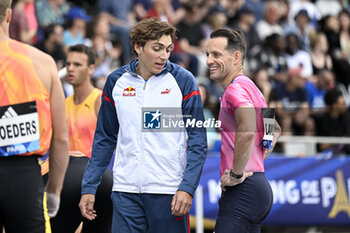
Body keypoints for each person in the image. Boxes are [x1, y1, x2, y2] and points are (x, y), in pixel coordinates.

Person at [78, 18, 207, 233]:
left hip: (169, 192)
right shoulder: (116, 81)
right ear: (138, 47)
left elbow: (198, 140)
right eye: (157, 49)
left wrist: (187, 187)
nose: (164, 55)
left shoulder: (184, 80)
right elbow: (105, 138)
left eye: (167, 49)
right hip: (125, 191)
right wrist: (89, 187)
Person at [0, 0, 69, 232]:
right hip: (23, 178)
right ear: (9, 16)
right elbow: (60, 137)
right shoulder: (42, 61)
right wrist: (54, 190)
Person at [206, 28, 281, 233]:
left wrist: (237, 173)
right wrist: (255, 159)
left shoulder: (234, 90)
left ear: (236, 57)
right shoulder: (253, 88)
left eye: (216, 55)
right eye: (207, 55)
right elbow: (274, 130)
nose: (208, 61)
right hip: (257, 186)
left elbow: (247, 131)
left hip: (242, 190)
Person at [49, 44, 113, 233]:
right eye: (68, 64)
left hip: (95, 186)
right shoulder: (63, 104)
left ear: (91, 68)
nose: (70, 68)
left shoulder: (100, 100)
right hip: (67, 185)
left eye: (77, 64)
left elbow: (115, 144)